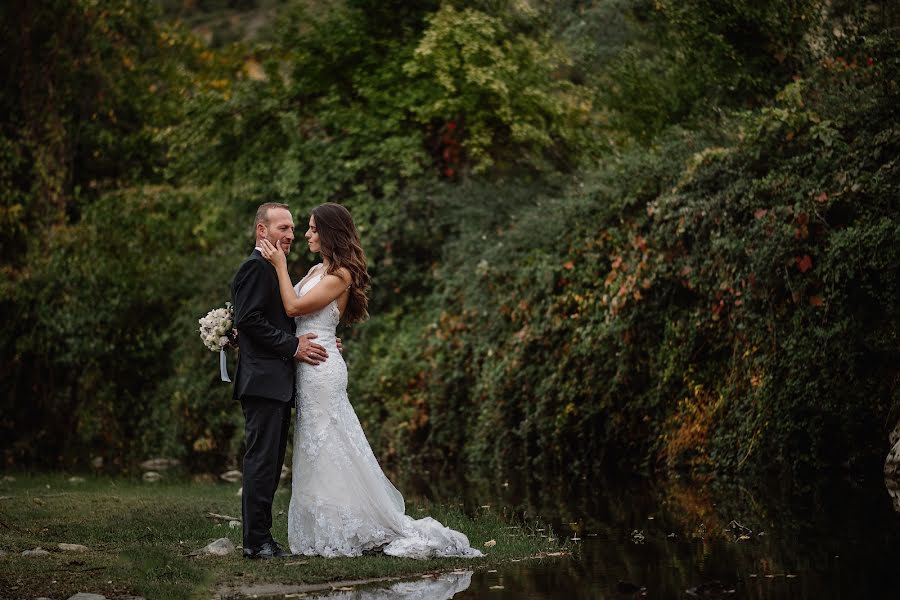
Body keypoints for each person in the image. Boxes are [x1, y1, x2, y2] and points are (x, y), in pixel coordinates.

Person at [258, 202, 482, 559]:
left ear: (330, 233)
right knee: (319, 444)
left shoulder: (341, 274)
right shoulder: (318, 268)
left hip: (321, 370)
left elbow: (294, 308)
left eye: (313, 228)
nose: (306, 234)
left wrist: (280, 266)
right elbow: (298, 315)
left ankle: (352, 524)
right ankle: (329, 523)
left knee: (329, 442)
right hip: (310, 361)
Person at [231, 202, 338, 560]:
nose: (291, 235)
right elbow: (249, 320)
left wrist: (321, 338)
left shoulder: (270, 268)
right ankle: (255, 542)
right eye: (283, 228)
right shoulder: (255, 268)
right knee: (262, 462)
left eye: (293, 229)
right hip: (263, 381)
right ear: (262, 231)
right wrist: (293, 346)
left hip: (275, 381)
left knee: (271, 462)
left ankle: (262, 539)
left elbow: (280, 318)